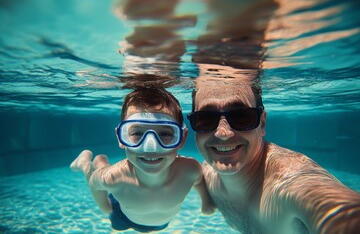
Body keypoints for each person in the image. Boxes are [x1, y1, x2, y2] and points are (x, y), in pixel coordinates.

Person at [187, 75, 360, 234]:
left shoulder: (293, 184)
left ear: (262, 124)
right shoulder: (208, 175)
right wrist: (205, 201)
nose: (222, 133)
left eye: (241, 117)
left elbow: (341, 212)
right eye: (206, 119)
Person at [70, 86, 215, 232]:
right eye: (138, 133)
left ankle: (100, 161)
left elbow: (198, 181)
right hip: (122, 217)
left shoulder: (190, 170)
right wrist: (105, 207)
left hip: (163, 223)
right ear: (121, 137)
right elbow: (94, 184)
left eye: (164, 134)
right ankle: (86, 164)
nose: (150, 147)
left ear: (181, 139)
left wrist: (206, 200)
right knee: (102, 173)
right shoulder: (113, 178)